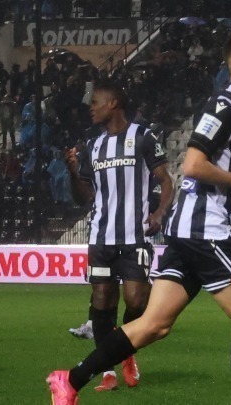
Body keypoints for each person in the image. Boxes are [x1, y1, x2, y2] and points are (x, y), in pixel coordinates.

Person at [47, 31, 231, 405]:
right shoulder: (224, 106)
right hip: (207, 229)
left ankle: (69, 381)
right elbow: (193, 165)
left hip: (188, 230)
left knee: (154, 325)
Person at [64, 79, 174, 392]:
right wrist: (73, 172)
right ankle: (108, 371)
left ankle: (126, 348)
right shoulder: (93, 146)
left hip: (135, 235)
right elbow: (84, 196)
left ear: (113, 103)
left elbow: (166, 180)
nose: (91, 108)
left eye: (95, 102)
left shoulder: (142, 137)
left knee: (137, 300)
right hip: (101, 237)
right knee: (102, 300)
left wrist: (159, 213)